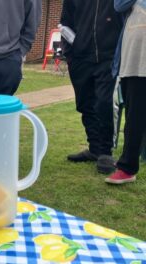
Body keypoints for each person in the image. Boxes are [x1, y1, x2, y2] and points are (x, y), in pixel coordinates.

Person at [61, 0, 123, 174]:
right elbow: (65, 22)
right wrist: (70, 53)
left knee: (104, 103)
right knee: (84, 104)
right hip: (80, 58)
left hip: (108, 58)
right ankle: (94, 148)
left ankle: (105, 152)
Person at [106, 0, 146, 184]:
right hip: (134, 60)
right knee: (134, 116)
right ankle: (128, 167)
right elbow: (118, 5)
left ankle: (128, 166)